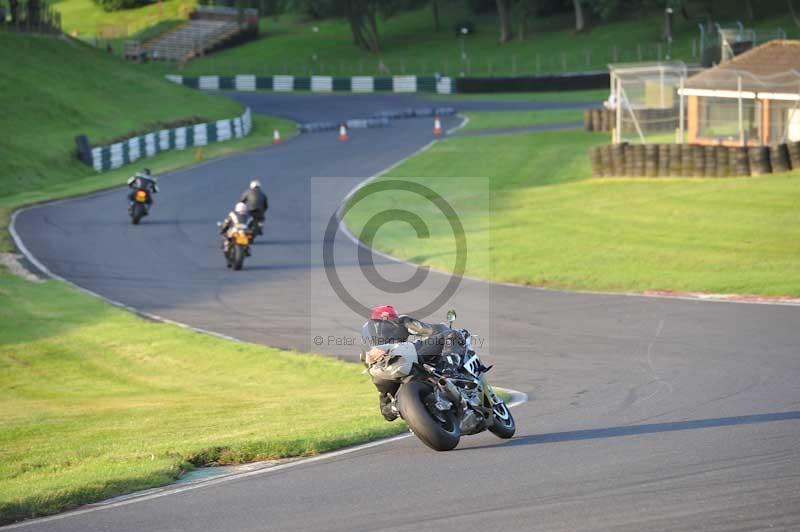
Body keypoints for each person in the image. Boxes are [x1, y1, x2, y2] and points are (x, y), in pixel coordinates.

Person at [361, 305, 465, 421]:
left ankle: (395, 407)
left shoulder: (367, 346)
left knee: (386, 409)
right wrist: (443, 328)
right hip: (404, 358)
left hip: (381, 372)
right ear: (393, 317)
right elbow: (429, 330)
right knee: (452, 335)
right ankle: (450, 372)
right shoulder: (401, 321)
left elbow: (368, 365)